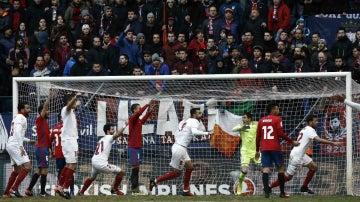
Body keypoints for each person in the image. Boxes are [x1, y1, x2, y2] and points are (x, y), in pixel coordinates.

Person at [269, 115, 342, 194]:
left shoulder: (304, 129)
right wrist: (333, 142)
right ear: (310, 122)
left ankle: (304, 187)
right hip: (297, 156)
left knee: (314, 167)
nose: (317, 122)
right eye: (315, 121)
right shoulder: (310, 130)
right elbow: (318, 140)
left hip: (301, 154)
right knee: (287, 177)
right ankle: (269, 187)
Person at [149, 108, 214, 196]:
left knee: (190, 167)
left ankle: (186, 190)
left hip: (179, 147)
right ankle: (155, 181)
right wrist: (208, 133)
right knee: (177, 173)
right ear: (194, 115)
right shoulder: (194, 121)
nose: (201, 114)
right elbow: (194, 132)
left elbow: (176, 132)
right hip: (180, 149)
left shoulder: (184, 121)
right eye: (199, 113)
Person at [255, 102, 299, 198]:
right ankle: (282, 193)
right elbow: (281, 134)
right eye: (277, 109)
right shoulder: (277, 119)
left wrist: (257, 150)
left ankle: (266, 192)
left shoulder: (261, 120)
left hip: (264, 148)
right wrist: (292, 142)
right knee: (280, 169)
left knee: (266, 169)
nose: (278, 111)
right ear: (273, 109)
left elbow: (258, 137)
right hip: (275, 147)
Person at [79, 122, 128, 195]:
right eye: (112, 129)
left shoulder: (101, 139)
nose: (114, 131)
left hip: (94, 161)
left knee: (92, 178)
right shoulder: (109, 137)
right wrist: (125, 125)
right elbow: (118, 134)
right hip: (101, 163)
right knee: (121, 172)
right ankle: (114, 189)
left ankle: (81, 192)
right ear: (108, 131)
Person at [2, 102, 35, 198]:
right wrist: (21, 146)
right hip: (16, 145)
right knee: (28, 167)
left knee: (17, 170)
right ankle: (14, 188)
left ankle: (6, 192)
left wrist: (28, 141)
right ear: (22, 110)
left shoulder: (16, 117)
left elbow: (17, 134)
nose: (29, 110)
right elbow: (16, 132)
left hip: (10, 144)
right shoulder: (22, 118)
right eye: (27, 108)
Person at [25, 88, 54, 197]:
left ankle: (28, 190)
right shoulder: (39, 119)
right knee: (44, 170)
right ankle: (42, 192)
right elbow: (45, 107)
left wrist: (50, 150)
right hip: (42, 149)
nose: (48, 111)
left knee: (39, 170)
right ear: (42, 111)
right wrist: (49, 96)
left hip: (43, 148)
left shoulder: (45, 123)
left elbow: (47, 139)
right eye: (47, 110)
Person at [54, 92, 82, 199]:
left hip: (69, 141)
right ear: (69, 101)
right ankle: (65, 189)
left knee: (68, 165)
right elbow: (70, 105)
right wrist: (76, 97)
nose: (75, 103)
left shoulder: (70, 112)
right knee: (72, 165)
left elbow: (73, 106)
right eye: (73, 101)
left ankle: (60, 186)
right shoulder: (65, 109)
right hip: (69, 141)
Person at [128, 100, 155, 194]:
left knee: (137, 168)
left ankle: (135, 189)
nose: (140, 110)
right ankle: (134, 189)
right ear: (134, 110)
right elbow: (140, 113)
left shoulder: (138, 120)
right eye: (138, 108)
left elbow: (143, 120)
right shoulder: (132, 118)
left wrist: (150, 112)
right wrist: (147, 104)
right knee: (135, 168)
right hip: (133, 147)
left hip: (138, 147)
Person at [231, 112, 260, 195]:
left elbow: (262, 125)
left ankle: (267, 188)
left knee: (264, 169)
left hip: (256, 151)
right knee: (244, 170)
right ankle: (240, 183)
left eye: (244, 117)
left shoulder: (256, 125)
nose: (243, 119)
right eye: (242, 117)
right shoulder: (242, 127)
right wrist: (245, 127)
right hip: (245, 152)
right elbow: (233, 129)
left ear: (250, 119)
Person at [50, 113, 75, 196]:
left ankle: (61, 188)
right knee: (70, 170)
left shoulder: (54, 129)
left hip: (58, 153)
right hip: (67, 151)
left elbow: (49, 142)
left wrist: (51, 151)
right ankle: (70, 191)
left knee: (61, 172)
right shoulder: (68, 128)